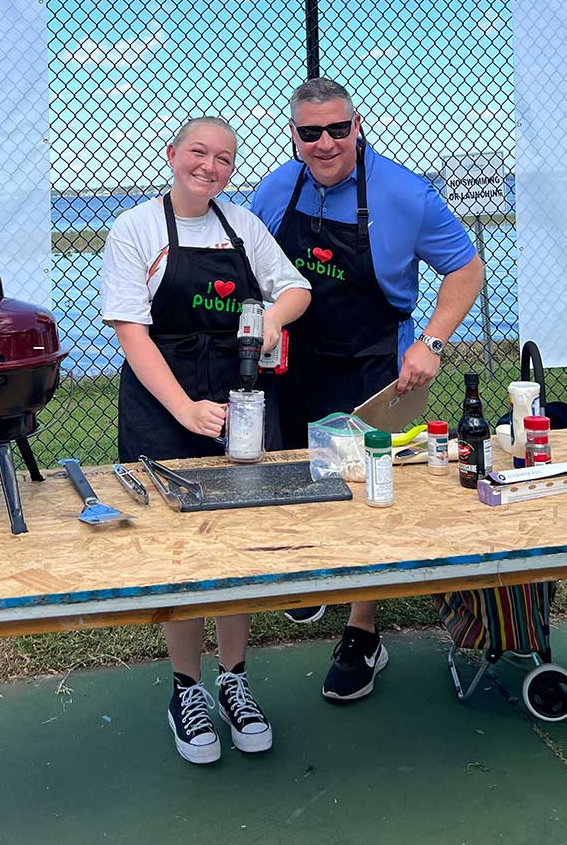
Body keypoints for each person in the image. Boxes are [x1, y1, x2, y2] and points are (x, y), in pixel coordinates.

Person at [252, 78, 483, 702]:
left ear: (358, 127)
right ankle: (310, 576)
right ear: (294, 136)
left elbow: (466, 269)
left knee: (363, 498)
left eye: (338, 128)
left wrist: (431, 343)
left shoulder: (405, 193)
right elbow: (251, 271)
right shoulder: (275, 190)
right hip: (295, 367)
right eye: (310, 132)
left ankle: (362, 631)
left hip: (371, 367)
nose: (325, 143)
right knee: (297, 481)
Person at [100, 116, 311, 764]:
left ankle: (234, 680)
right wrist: (185, 410)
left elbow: (296, 288)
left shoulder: (241, 226)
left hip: (240, 397)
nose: (209, 166)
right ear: (172, 154)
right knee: (182, 552)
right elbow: (131, 332)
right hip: (165, 401)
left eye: (223, 158)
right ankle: (186, 689)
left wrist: (271, 318)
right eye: (198, 152)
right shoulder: (135, 228)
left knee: (238, 544)